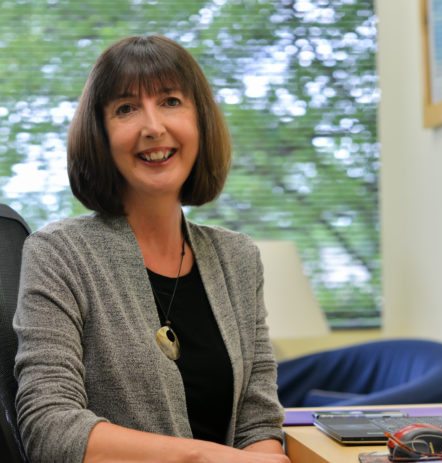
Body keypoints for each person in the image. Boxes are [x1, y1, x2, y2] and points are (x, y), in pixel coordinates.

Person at [13, 35, 290, 463]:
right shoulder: (58, 253)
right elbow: (50, 429)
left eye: (170, 101)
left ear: (200, 121)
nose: (153, 126)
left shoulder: (238, 258)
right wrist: (207, 458)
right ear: (100, 134)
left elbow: (257, 423)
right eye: (126, 108)